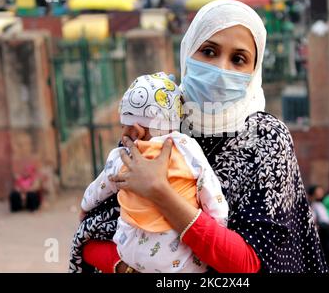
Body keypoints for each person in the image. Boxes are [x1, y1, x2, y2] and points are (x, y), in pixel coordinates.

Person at [71, 0, 328, 273]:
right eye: (208, 51)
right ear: (187, 51)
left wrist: (160, 193)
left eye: (238, 59)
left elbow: (253, 263)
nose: (221, 70)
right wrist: (127, 267)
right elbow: (90, 232)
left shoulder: (266, 139)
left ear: (254, 71)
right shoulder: (158, 120)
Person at [73, 73, 229, 273]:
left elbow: (100, 187)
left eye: (124, 126)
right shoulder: (186, 147)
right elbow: (208, 185)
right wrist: (219, 221)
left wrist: (85, 206)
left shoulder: (123, 155)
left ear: (135, 131)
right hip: (178, 260)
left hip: (129, 251)